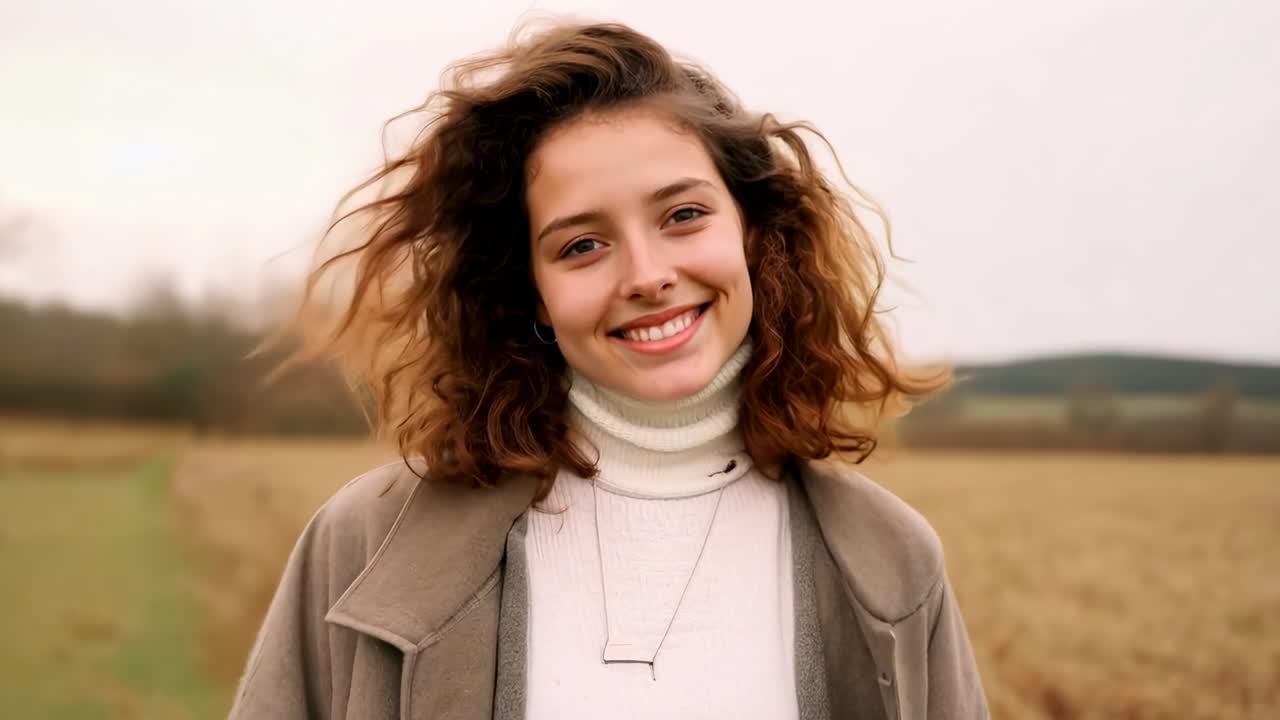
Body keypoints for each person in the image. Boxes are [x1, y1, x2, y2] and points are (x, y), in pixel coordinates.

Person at [229, 18, 988, 720]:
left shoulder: (893, 561)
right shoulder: (364, 543)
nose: (647, 276)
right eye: (582, 245)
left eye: (683, 215)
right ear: (531, 290)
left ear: (754, 233)